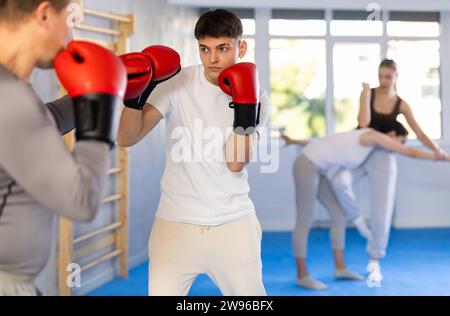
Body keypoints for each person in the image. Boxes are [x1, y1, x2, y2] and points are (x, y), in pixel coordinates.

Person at [117, 9, 270, 296]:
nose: (213, 58)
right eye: (205, 49)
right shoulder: (178, 83)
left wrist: (245, 105)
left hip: (233, 225)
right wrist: (134, 98)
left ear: (241, 47)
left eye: (223, 48)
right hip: (174, 224)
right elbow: (127, 137)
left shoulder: (257, 95)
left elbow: (235, 162)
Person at [0, 0, 127, 295]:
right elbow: (81, 201)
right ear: (44, 13)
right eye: (70, 20)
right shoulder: (10, 96)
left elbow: (37, 125)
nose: (71, 38)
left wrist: (103, 94)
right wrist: (100, 109)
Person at [283, 121, 449, 290]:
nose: (399, 146)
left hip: (319, 169)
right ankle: (302, 275)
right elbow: (410, 152)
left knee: (339, 215)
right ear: (392, 135)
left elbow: (322, 142)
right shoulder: (373, 136)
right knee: (305, 219)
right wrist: (441, 157)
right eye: (401, 140)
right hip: (306, 165)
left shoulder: (368, 142)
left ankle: (340, 268)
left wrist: (293, 141)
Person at [330, 59, 446, 282]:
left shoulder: (401, 104)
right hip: (361, 151)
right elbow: (363, 123)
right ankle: (358, 221)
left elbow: (420, 133)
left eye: (388, 77)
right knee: (337, 180)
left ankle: (375, 257)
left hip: (384, 156)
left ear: (396, 77)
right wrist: (364, 94)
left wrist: (437, 150)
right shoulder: (368, 94)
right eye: (380, 76)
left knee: (382, 208)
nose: (383, 81)